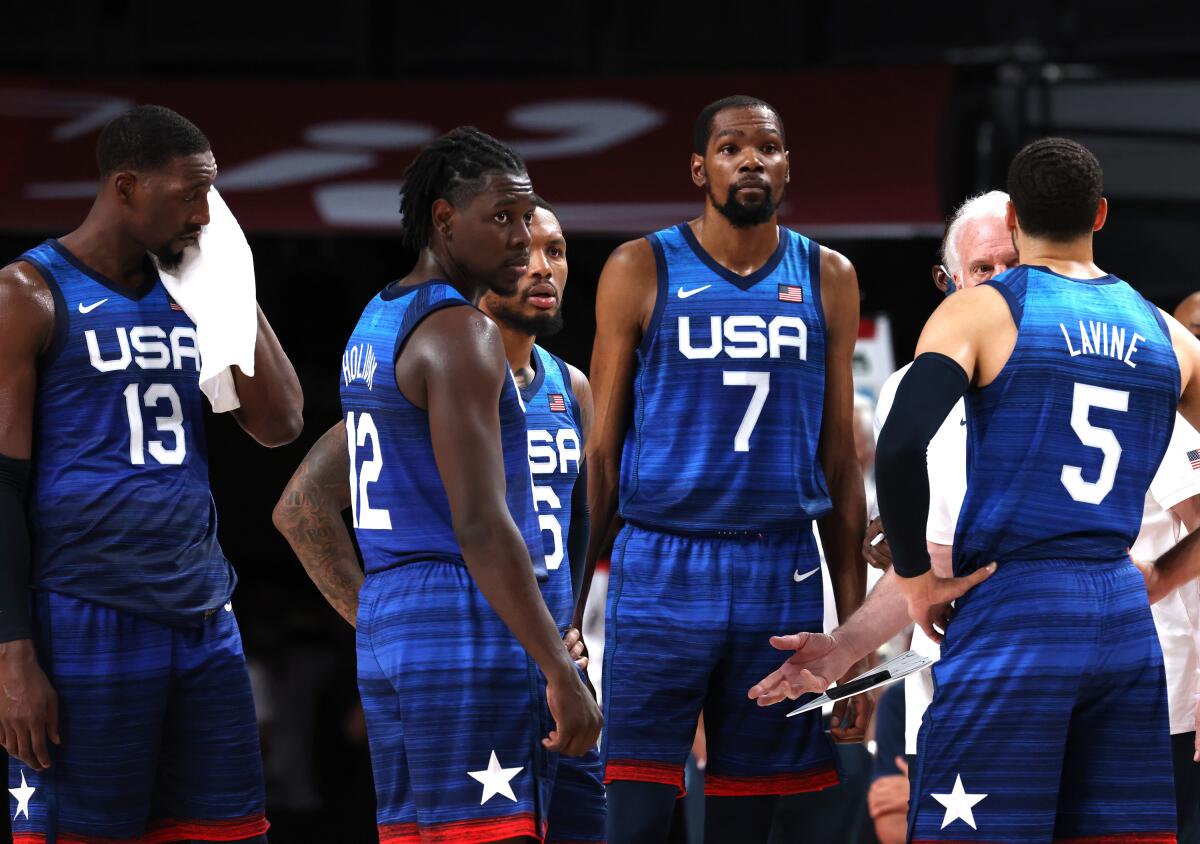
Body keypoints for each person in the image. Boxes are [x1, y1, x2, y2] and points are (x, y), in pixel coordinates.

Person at [272, 127, 601, 843]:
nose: (521, 240)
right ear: (445, 219)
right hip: (469, 612)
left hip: (412, 614)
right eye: (504, 219)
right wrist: (556, 663)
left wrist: (381, 616)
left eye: (535, 226)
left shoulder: (377, 318)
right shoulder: (461, 334)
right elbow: (480, 524)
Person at [877, 137, 1200, 840]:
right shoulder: (1169, 334)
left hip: (1014, 602)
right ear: (1102, 214)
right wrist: (1165, 573)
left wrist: (915, 581)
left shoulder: (984, 310)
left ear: (1015, 218)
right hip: (1120, 611)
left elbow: (900, 447)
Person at [0, 105, 303, 842]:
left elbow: (280, 423)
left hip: (201, 613)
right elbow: (1, 486)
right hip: (81, 614)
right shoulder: (27, 293)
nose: (206, 212)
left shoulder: (194, 291)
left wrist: (230, 281)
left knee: (227, 834)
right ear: (127, 187)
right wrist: (12, 656)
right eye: (190, 192)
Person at [576, 94, 869, 843]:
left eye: (766, 148)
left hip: (780, 567)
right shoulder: (639, 266)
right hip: (663, 559)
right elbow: (602, 453)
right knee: (635, 813)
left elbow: (840, 456)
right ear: (700, 167)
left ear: (787, 167)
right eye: (733, 148)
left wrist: (858, 641)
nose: (751, 161)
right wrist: (569, 612)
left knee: (749, 819)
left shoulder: (828, 273)